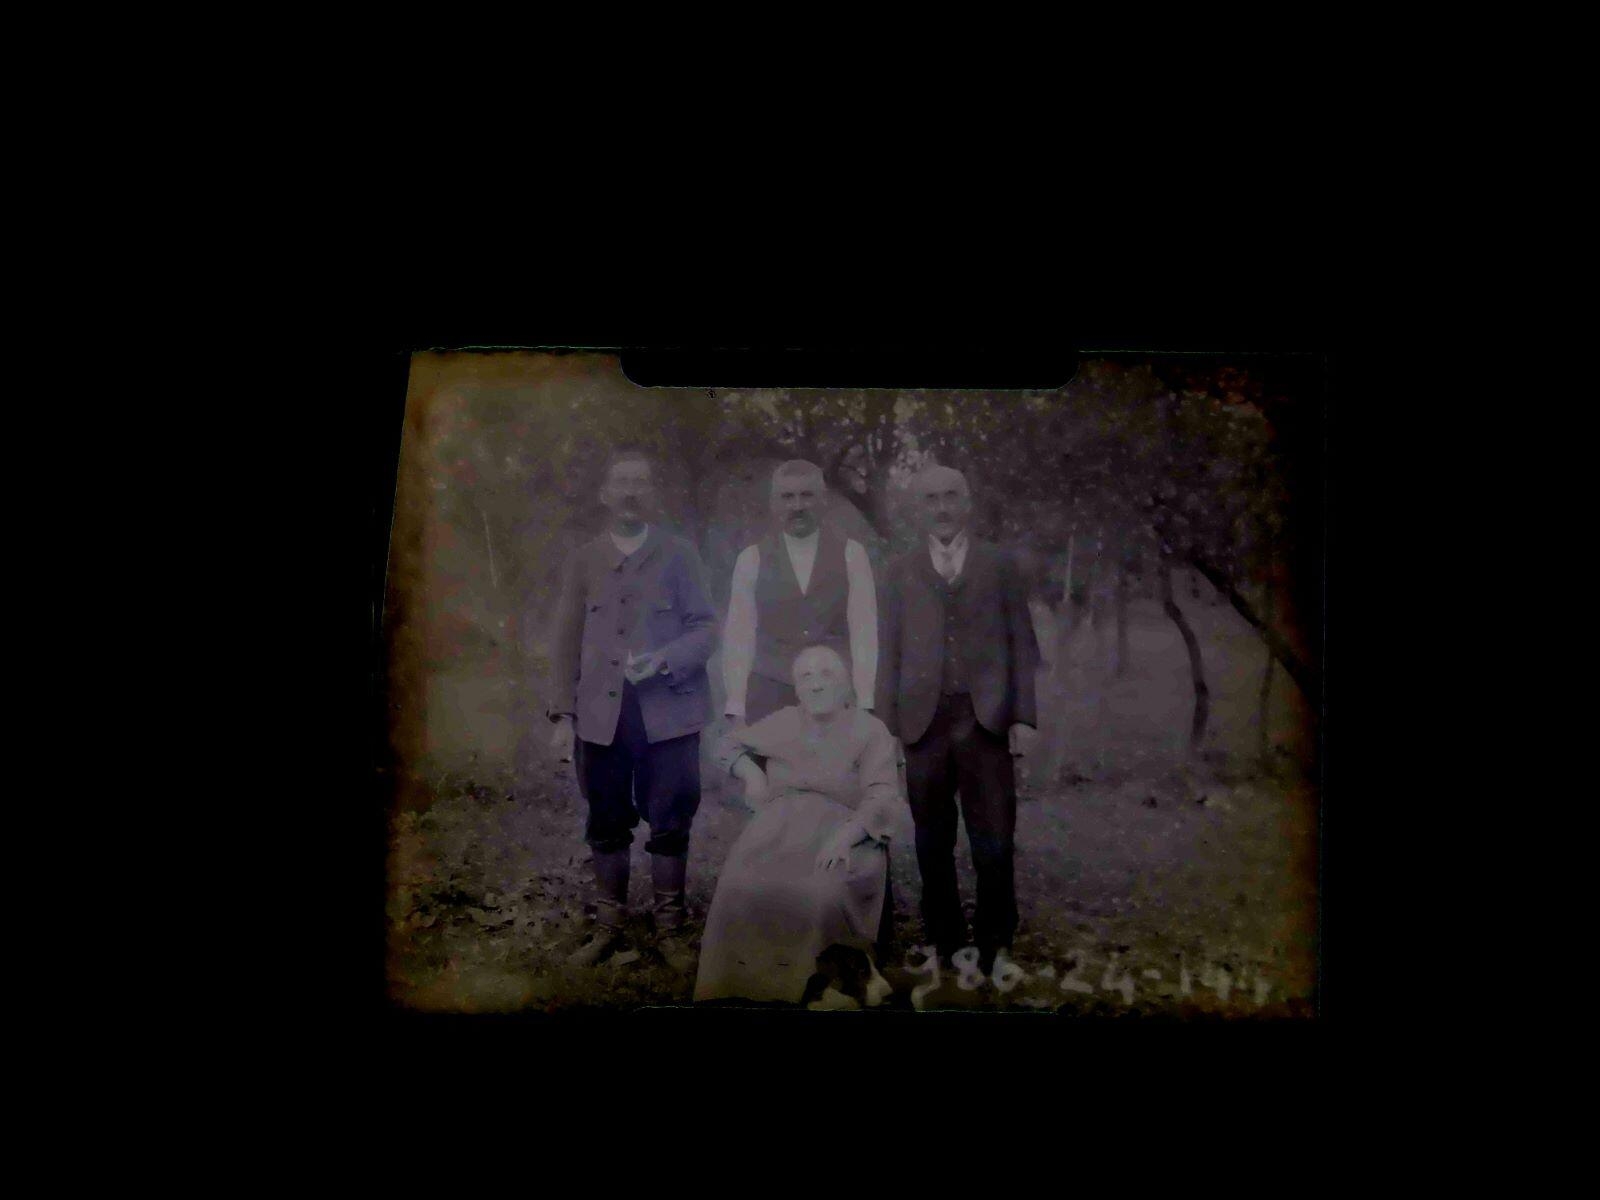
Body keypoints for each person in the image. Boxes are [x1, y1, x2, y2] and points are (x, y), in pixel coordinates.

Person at [546, 448, 717, 970]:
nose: (629, 492)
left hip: (669, 714)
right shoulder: (583, 560)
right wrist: (563, 716)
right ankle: (609, 926)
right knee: (606, 818)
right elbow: (564, 642)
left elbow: (707, 628)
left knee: (670, 818)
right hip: (603, 716)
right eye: (620, 483)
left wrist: (664, 662)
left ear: (651, 494)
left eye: (639, 483)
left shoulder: (680, 554)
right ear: (605, 495)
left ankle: (671, 928)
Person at [875, 464, 1039, 986]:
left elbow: (1021, 644)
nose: (942, 507)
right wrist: (887, 727)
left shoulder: (999, 564)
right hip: (922, 719)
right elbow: (889, 652)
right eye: (931, 499)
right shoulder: (899, 570)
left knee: (994, 835)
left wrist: (1023, 717)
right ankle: (946, 940)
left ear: (967, 503)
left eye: (951, 497)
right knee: (931, 836)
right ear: (918, 509)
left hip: (984, 715)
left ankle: (997, 941)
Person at [693, 645, 899, 1008]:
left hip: (842, 834)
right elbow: (722, 741)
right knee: (741, 886)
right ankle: (738, 989)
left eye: (826, 675)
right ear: (796, 687)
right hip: (777, 831)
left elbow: (882, 797)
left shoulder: (870, 730)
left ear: (847, 684)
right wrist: (751, 772)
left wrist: (846, 836)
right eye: (805, 676)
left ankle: (813, 991)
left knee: (818, 896)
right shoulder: (786, 721)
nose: (816, 685)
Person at [721, 460, 878, 725]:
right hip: (770, 696)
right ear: (774, 503)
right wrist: (736, 704)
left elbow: (864, 632)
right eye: (787, 497)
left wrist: (865, 700)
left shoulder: (852, 554)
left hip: (835, 697)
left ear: (823, 500)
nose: (797, 506)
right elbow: (740, 635)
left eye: (807, 496)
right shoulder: (751, 559)